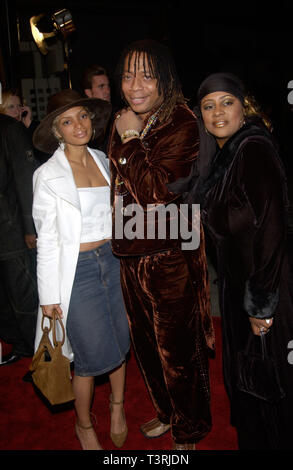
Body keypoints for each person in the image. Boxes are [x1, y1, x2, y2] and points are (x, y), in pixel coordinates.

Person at [108, 39, 214, 450]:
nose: (136, 84)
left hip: (168, 256)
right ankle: (169, 412)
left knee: (178, 352)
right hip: (130, 252)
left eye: (147, 75)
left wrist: (131, 139)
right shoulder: (124, 118)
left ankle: (192, 425)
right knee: (148, 347)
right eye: (129, 74)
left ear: (165, 80)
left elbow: (154, 191)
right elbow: (118, 186)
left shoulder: (182, 122)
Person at [186, 72, 293, 449]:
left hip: (266, 291)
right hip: (237, 290)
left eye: (226, 102)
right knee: (248, 384)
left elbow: (272, 227)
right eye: (208, 105)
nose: (218, 112)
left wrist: (261, 304)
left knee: (271, 385)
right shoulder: (222, 155)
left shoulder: (253, 149)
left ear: (242, 107)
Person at [32, 89, 130, 450]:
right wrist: (49, 297)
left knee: (121, 341)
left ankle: (117, 407)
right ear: (57, 131)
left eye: (83, 117)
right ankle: (84, 424)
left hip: (114, 262)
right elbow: (48, 241)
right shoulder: (46, 176)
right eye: (67, 121)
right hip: (77, 272)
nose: (79, 125)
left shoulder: (105, 160)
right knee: (88, 357)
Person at [0, 112, 39, 366]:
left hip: (12, 230)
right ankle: (22, 345)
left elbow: (26, 179)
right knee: (4, 299)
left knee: (24, 297)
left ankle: (43, 358)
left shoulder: (9, 128)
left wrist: (30, 228)